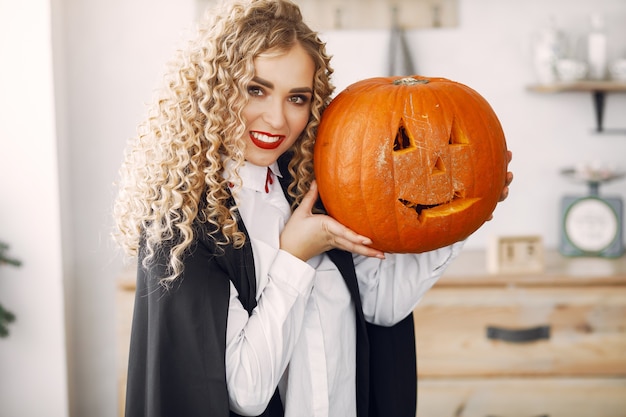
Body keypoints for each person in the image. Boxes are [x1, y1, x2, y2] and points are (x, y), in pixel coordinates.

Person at [113, 1, 513, 416]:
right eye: (256, 89)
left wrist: (462, 210)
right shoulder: (185, 227)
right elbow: (245, 394)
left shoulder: (309, 186)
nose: (277, 119)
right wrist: (295, 257)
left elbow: (381, 306)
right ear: (214, 90)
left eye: (297, 98)